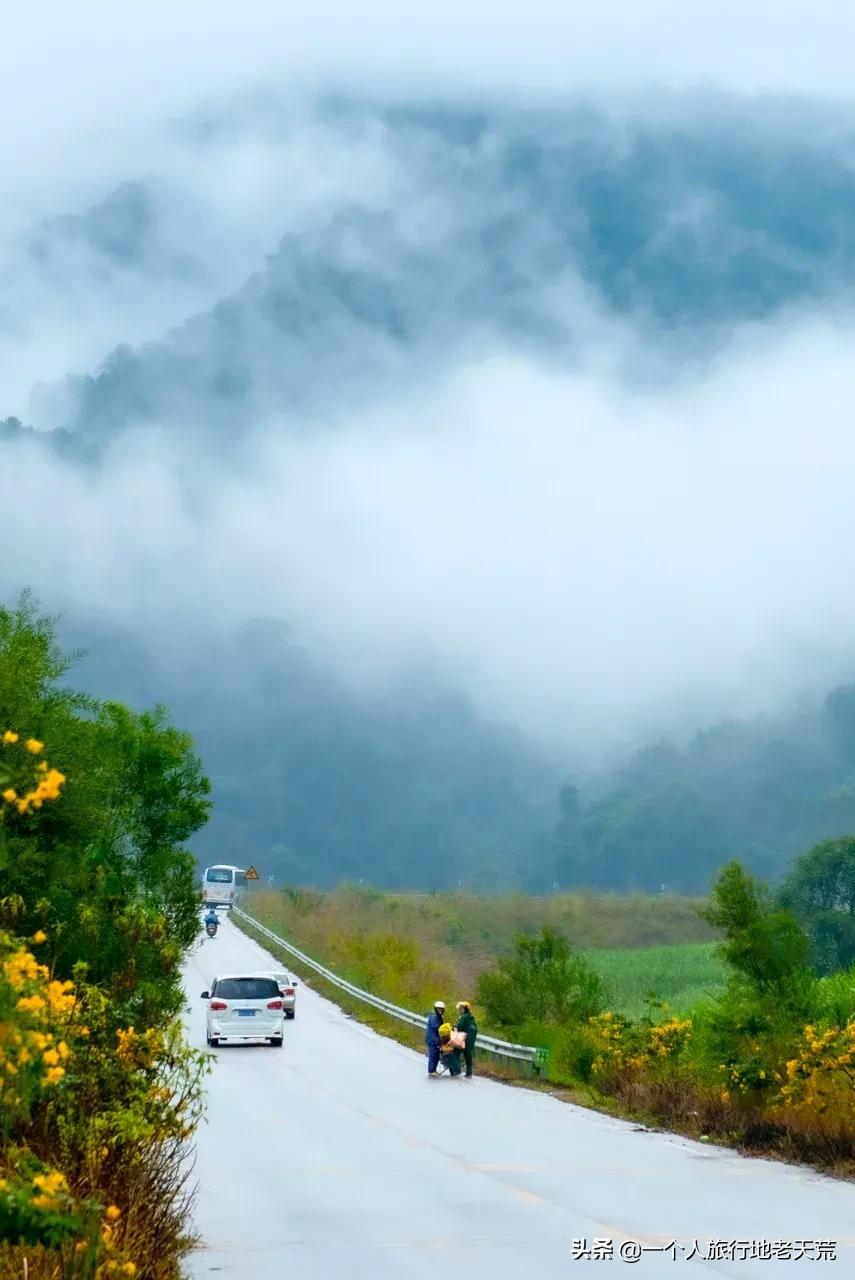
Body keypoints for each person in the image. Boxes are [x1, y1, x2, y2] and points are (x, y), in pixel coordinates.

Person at [455, 1000, 478, 1078]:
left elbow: (459, 1027)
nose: (460, 1010)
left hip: (465, 1038)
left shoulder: (464, 1016)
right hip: (471, 1038)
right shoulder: (471, 1017)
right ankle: (469, 1072)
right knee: (468, 1054)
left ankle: (456, 1069)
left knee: (456, 1052)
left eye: (461, 1008)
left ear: (465, 1009)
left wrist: (454, 1028)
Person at [425, 1000, 446, 1075]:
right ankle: (431, 1070)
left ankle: (434, 1070)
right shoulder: (434, 1016)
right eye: (438, 1009)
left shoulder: (439, 1016)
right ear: (435, 1009)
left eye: (441, 1009)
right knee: (433, 1055)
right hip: (432, 1039)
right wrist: (444, 1029)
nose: (440, 1010)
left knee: (436, 1055)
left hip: (436, 1039)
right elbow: (436, 1027)